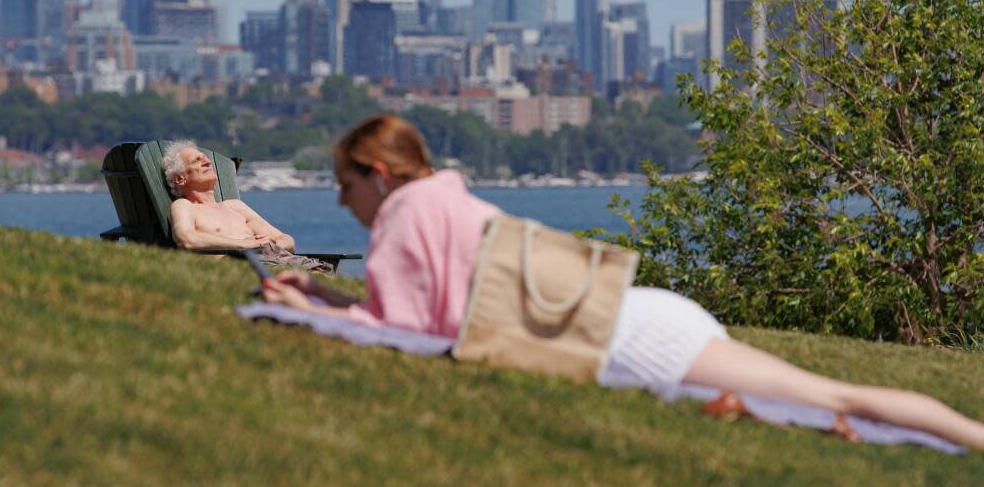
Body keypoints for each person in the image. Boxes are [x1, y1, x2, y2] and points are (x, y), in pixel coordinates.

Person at [261, 115, 984, 451]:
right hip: (636, 317)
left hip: (630, 340)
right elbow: (427, 308)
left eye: (344, 183)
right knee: (826, 397)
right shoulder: (444, 199)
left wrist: (309, 307)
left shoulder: (398, 218)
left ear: (378, 175)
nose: (340, 201)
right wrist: (330, 298)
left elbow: (410, 336)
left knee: (836, 395)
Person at [163, 141, 296, 253]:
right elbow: (186, 239)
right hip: (247, 267)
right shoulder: (184, 206)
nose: (208, 162)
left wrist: (272, 245)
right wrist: (244, 245)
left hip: (279, 260)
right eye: (197, 160)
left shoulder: (235, 206)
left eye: (206, 158)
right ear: (180, 179)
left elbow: (286, 239)